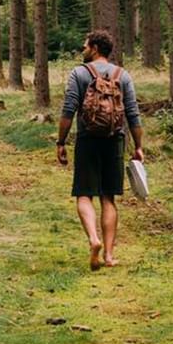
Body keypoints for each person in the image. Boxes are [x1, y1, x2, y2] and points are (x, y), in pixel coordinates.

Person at [56, 29, 143, 270]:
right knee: (108, 198)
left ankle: (94, 240)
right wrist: (139, 147)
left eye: (85, 46)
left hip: (87, 139)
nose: (83, 50)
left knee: (84, 194)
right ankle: (109, 256)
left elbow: (68, 109)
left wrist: (61, 142)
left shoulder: (79, 73)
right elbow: (133, 114)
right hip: (115, 140)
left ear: (94, 48)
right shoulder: (122, 75)